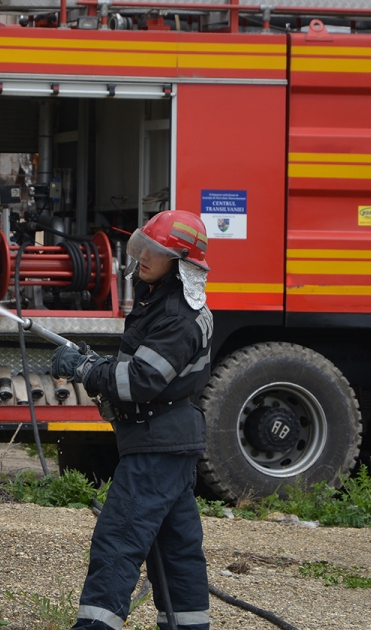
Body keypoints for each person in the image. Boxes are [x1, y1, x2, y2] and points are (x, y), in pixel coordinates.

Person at [51, 210, 214, 630]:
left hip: (157, 447)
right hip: (166, 443)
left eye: (154, 252)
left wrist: (85, 370)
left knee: (118, 541)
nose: (142, 257)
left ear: (180, 261)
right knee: (175, 550)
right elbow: (140, 368)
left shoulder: (178, 315)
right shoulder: (160, 300)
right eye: (142, 246)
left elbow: (141, 381)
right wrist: (95, 363)